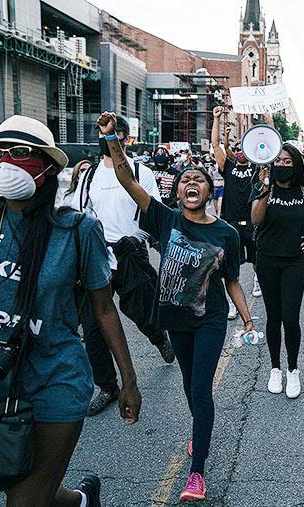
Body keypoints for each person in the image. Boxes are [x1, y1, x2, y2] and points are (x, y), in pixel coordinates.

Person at [0, 115, 141, 505]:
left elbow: (104, 309)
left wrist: (128, 379)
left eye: (21, 152)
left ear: (47, 165)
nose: (6, 161)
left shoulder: (77, 230)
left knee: (24, 502)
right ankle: (77, 501)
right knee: (16, 480)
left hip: (54, 383)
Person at [98, 111, 254, 501]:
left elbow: (231, 279)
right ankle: (200, 430)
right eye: (185, 179)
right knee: (189, 384)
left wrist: (248, 318)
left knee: (201, 389)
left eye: (198, 180)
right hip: (175, 320)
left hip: (210, 320)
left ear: (209, 190)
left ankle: (197, 472)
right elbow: (126, 179)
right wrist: (113, 138)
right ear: (178, 190)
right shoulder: (165, 220)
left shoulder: (226, 234)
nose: (190, 183)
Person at [72, 114, 174, 417]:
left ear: (124, 138)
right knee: (92, 326)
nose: (107, 138)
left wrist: (135, 239)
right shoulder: (89, 174)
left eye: (114, 133)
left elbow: (151, 211)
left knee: (143, 311)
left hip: (131, 253)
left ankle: (159, 339)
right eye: (103, 134)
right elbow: (79, 212)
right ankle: (107, 386)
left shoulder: (140, 171)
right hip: (96, 257)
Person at [250, 144, 304, 398]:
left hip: (294, 262)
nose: (282, 165)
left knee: (290, 318)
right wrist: (264, 188)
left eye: (287, 161)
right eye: (278, 161)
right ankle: (275, 368)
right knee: (273, 317)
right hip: (267, 260)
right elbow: (256, 220)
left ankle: (292, 369)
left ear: (296, 164)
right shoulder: (264, 189)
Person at [212, 106, 263, 305]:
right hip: (231, 222)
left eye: (244, 148)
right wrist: (216, 119)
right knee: (232, 265)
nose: (241, 152)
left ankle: (258, 282)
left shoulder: (257, 168)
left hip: (253, 222)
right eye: (237, 148)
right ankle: (233, 302)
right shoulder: (228, 166)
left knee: (257, 258)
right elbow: (216, 145)